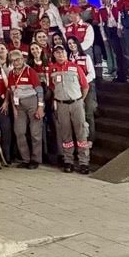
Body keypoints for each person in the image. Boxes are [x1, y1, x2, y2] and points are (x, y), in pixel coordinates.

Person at [50, 43, 90, 174]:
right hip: (61, 105)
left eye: (62, 52)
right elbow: (52, 87)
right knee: (65, 133)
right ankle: (68, 161)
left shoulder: (75, 67)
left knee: (81, 132)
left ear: (66, 54)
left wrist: (80, 100)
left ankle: (84, 162)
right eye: (57, 53)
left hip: (76, 103)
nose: (60, 55)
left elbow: (85, 86)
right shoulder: (52, 69)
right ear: (54, 55)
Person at [7, 49, 44, 168]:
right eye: (13, 61)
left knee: (35, 132)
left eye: (17, 59)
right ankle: (25, 159)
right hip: (19, 105)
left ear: (22, 59)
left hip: (32, 101)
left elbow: (39, 90)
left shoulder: (29, 71)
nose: (16, 62)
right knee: (19, 131)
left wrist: (40, 107)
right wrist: (14, 108)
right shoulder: (11, 73)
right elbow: (12, 92)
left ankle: (35, 159)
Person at [66, 36, 97, 143]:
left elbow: (92, 74)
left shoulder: (85, 57)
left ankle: (91, 139)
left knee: (88, 113)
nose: (72, 45)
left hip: (86, 88)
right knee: (77, 115)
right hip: (73, 90)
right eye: (69, 44)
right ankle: (80, 139)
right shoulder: (67, 58)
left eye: (73, 43)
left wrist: (82, 82)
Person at [97, 0, 125, 81]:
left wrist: (119, 28)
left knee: (125, 52)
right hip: (110, 31)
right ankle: (120, 74)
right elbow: (101, 24)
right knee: (117, 53)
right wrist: (104, 38)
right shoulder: (101, 9)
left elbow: (121, 16)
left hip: (120, 29)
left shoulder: (117, 4)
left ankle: (128, 73)